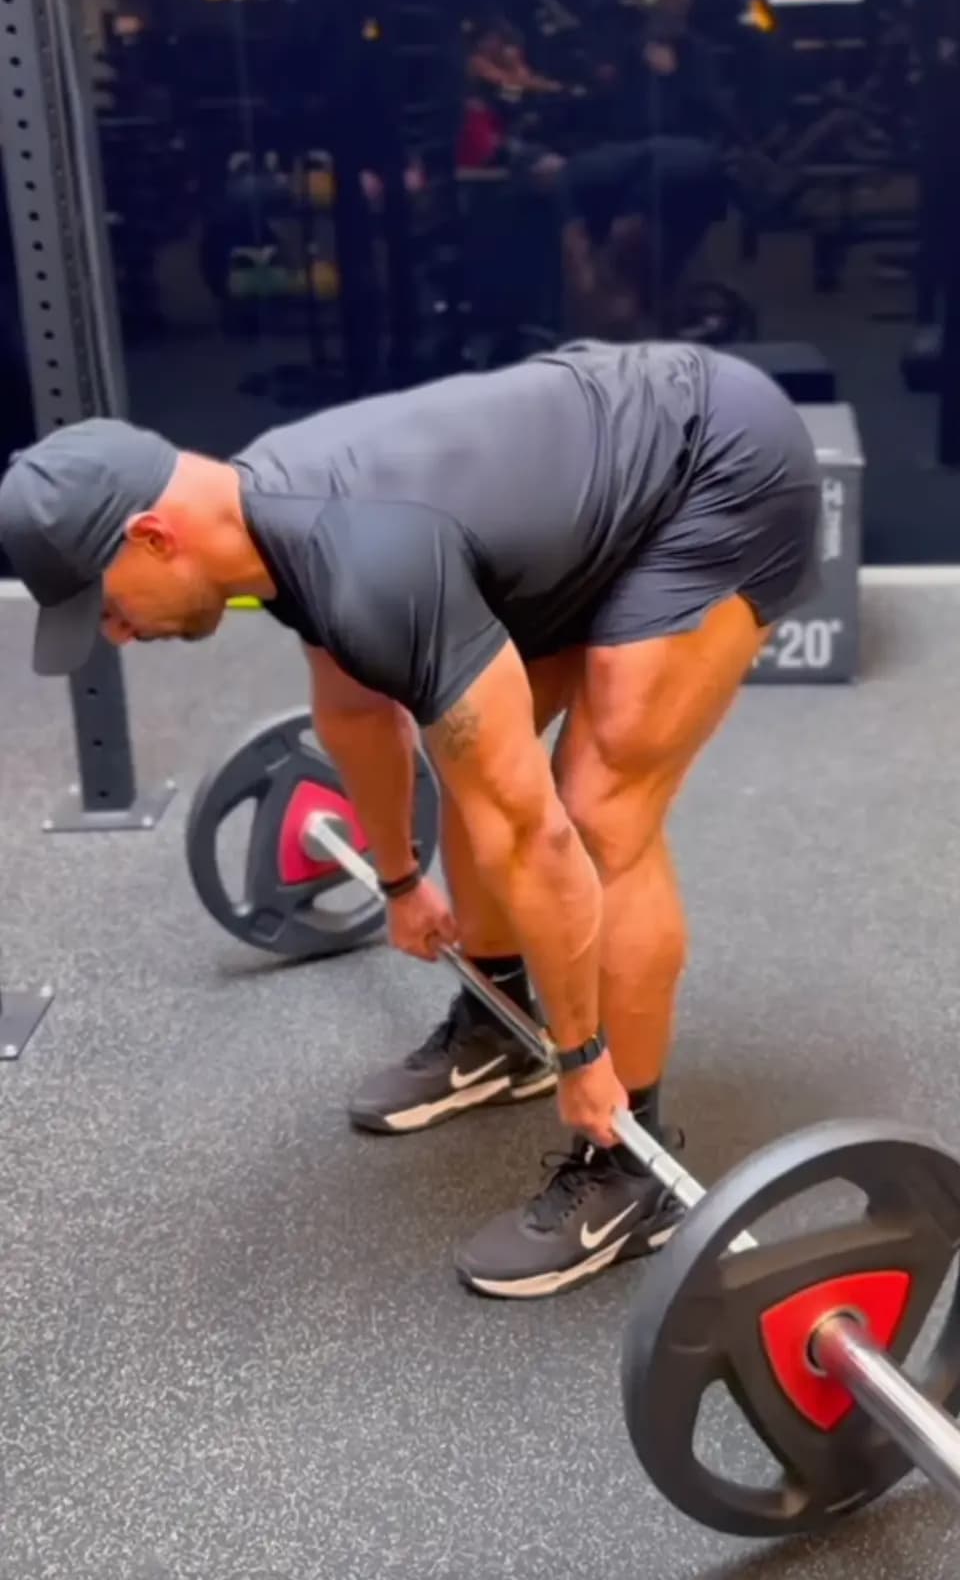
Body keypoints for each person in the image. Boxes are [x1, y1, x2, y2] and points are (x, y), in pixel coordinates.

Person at [0, 339, 820, 1299]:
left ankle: (629, 1164)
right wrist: (397, 879)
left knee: (594, 812)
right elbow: (356, 710)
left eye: (104, 606)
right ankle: (499, 1024)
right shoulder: (264, 525)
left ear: (153, 536)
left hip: (718, 466)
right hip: (579, 490)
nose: (114, 632)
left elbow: (537, 840)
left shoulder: (365, 561)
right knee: (471, 749)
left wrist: (583, 1056)